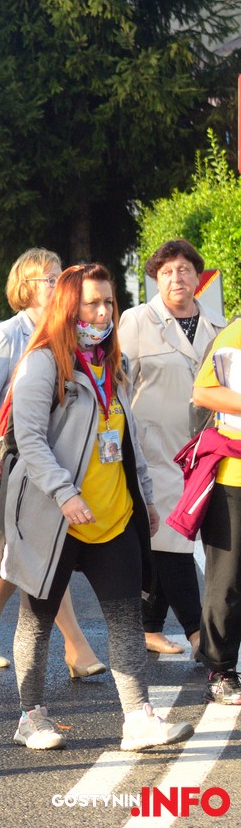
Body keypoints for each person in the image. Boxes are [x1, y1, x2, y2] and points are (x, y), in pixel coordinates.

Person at [1, 264, 192, 752]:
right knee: (37, 620)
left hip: (113, 517)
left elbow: (129, 441)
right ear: (69, 307)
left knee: (126, 619)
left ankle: (138, 719)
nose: (103, 312)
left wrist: (145, 498)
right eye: (92, 303)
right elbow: (30, 440)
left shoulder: (112, 365)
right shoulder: (43, 363)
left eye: (109, 302)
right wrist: (65, 493)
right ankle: (31, 717)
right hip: (53, 518)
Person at [0, 249, 105, 677]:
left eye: (60, 277)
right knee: (40, 549)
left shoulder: (70, 334)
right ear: (26, 288)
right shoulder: (7, 336)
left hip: (60, 463)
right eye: (49, 279)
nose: (59, 286)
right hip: (15, 464)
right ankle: (77, 647)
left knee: (18, 552)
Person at [120, 240, 223, 658]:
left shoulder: (217, 325)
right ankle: (198, 633)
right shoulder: (137, 321)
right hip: (154, 450)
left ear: (198, 277)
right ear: (156, 280)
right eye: (166, 272)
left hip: (203, 450)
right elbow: (119, 383)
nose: (176, 278)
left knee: (168, 538)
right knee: (171, 537)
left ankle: (149, 626)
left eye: (183, 270)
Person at [189, 299, 241, 704]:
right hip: (233, 478)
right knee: (227, 579)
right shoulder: (236, 333)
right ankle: (220, 670)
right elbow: (203, 391)